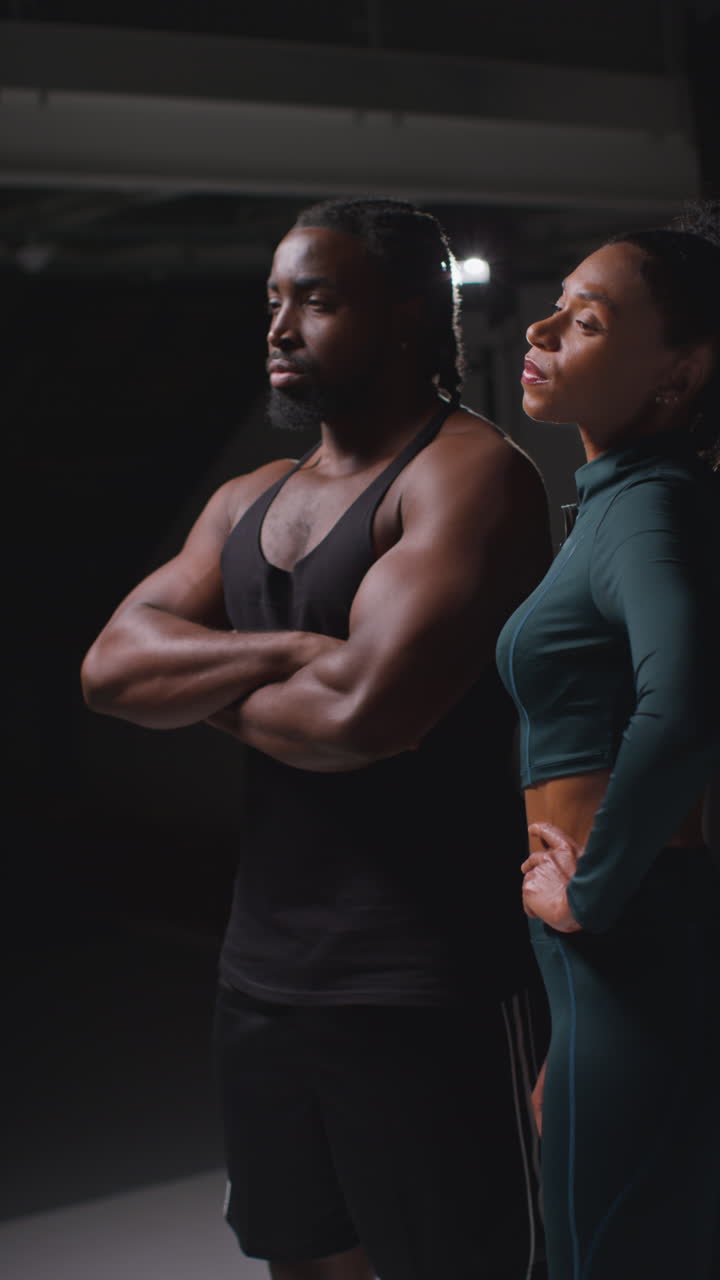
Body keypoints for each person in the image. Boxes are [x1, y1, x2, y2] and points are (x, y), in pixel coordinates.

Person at [81, 197, 553, 1280]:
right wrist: (291, 652)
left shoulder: (466, 476)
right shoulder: (249, 498)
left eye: (319, 300)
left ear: (404, 318)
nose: (281, 327)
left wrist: (201, 671)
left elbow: (364, 718)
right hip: (263, 974)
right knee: (304, 1257)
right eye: (275, 300)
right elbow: (109, 671)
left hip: (425, 981)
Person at [496, 200, 720, 1280]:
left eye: (583, 321)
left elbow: (680, 706)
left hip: (633, 955)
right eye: (552, 312)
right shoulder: (633, 498)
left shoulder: (648, 506)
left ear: (678, 374)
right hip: (619, 977)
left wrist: (591, 896)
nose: (539, 334)